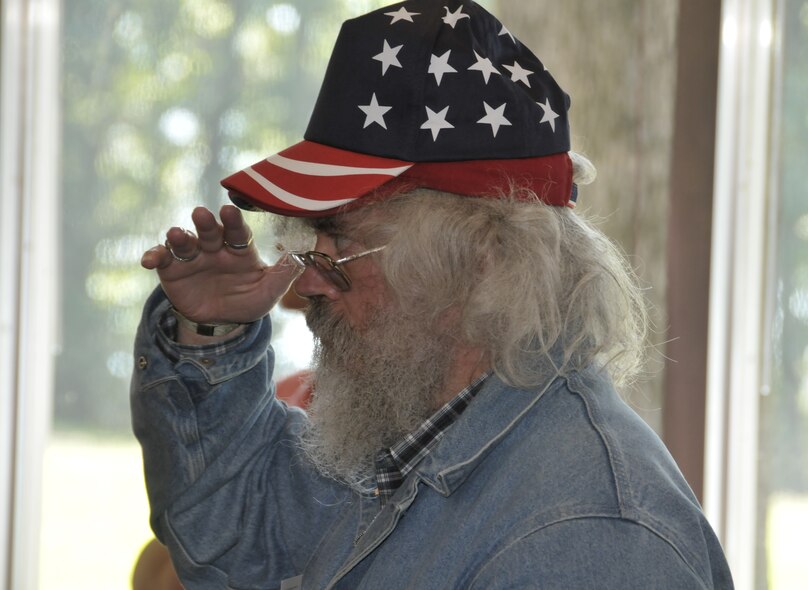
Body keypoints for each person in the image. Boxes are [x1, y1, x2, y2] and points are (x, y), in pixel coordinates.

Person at [131, 1, 734, 588]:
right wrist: (210, 335)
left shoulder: (590, 537)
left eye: (338, 250)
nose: (304, 282)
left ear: (484, 261)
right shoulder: (421, 426)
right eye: (306, 248)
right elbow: (237, 535)